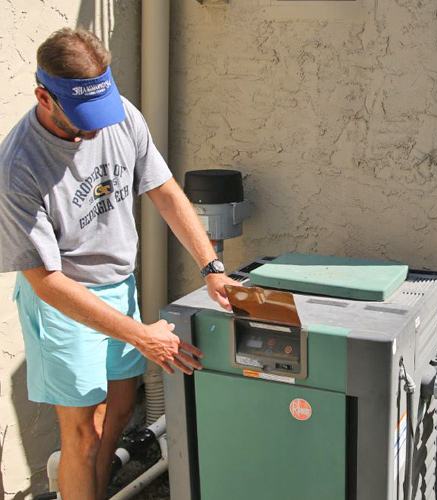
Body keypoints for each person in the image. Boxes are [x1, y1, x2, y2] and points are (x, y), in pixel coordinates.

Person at [0, 27, 238, 500]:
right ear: (43, 98)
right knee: (81, 435)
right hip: (63, 302)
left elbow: (165, 191)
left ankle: (94, 485)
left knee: (122, 409)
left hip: (116, 285)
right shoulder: (17, 167)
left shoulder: (120, 115)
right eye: (83, 117)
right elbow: (46, 282)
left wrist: (212, 267)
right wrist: (141, 335)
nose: (96, 128)